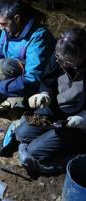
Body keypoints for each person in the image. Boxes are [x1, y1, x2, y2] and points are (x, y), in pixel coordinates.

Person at [15, 28, 86, 174]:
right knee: (21, 133)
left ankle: (75, 158)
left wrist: (83, 118)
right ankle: (51, 134)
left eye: (66, 61)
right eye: (58, 58)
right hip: (55, 110)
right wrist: (44, 94)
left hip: (76, 124)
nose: (60, 63)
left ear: (81, 58)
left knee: (34, 151)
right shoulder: (59, 58)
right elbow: (48, 81)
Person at [0, 0, 55, 106]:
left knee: (5, 65)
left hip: (32, 82)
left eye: (4, 24)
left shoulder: (38, 38)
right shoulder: (9, 30)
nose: (1, 28)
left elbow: (32, 79)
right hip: (13, 75)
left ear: (17, 19)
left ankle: (11, 97)